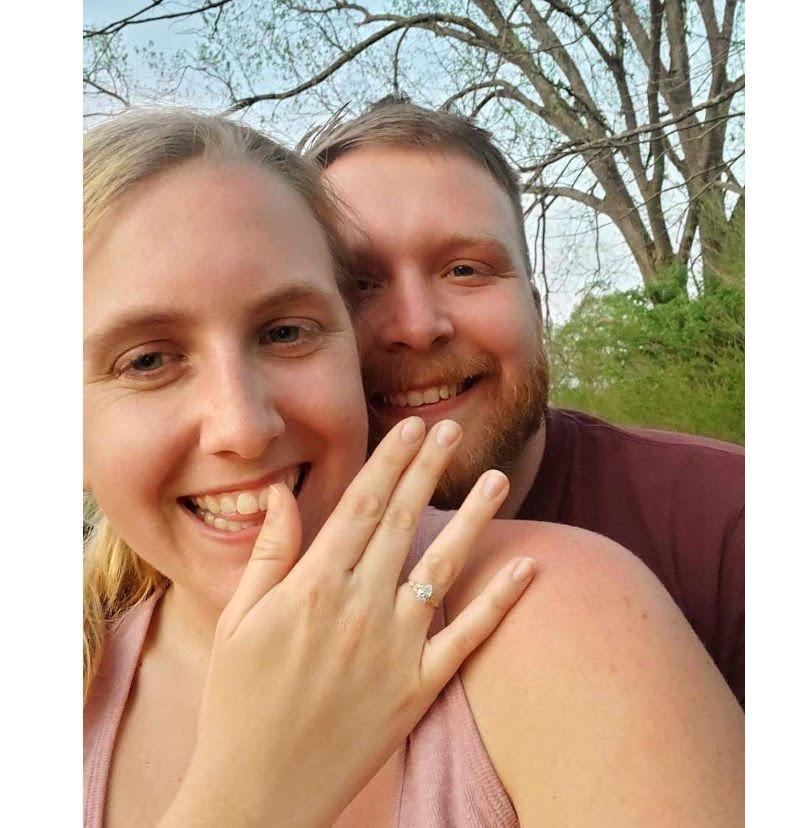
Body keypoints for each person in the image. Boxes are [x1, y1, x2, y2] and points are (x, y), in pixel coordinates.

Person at [84, 109, 743, 827]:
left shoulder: (657, 557)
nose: (243, 427)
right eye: (146, 361)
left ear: (538, 301)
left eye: (283, 331)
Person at [303, 97, 746, 706]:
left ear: (536, 310)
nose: (416, 325)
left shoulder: (729, 522)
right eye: (358, 284)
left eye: (464, 269)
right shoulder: (265, 562)